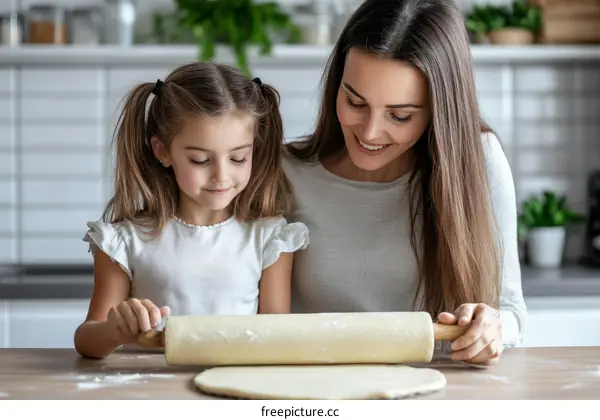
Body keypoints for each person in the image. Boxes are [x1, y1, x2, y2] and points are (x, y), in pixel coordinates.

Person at [282, 0, 526, 365]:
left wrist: (492, 326)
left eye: (399, 116)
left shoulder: (480, 160)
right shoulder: (286, 170)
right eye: (355, 101)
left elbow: (511, 311)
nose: (370, 132)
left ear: (439, 112)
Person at [74, 62, 309, 359]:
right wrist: (114, 329)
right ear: (162, 152)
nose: (221, 176)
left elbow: (277, 337)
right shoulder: (123, 241)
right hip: (151, 395)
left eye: (238, 158)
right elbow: (86, 340)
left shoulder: (269, 239)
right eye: (200, 160)